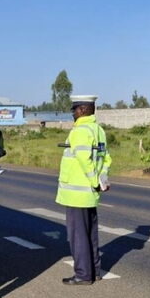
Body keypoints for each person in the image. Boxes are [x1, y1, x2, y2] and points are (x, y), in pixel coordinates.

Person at [56, 95, 112, 286]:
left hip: (77, 193)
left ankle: (82, 274)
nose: (73, 113)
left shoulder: (80, 130)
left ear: (83, 110)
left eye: (74, 109)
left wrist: (93, 180)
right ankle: (95, 271)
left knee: (77, 236)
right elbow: (106, 159)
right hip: (90, 193)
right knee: (90, 234)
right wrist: (101, 180)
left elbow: (83, 159)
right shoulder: (99, 130)